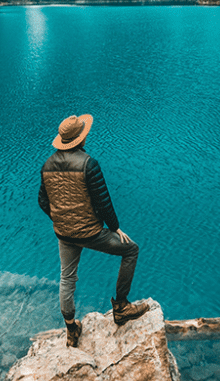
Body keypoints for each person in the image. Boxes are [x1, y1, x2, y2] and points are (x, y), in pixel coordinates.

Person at [38, 113, 149, 347]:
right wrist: (115, 228)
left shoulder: (47, 165)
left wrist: (60, 218)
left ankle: (71, 329)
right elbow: (103, 202)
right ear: (81, 139)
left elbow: (42, 201)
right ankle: (121, 307)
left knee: (67, 277)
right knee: (131, 250)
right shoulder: (88, 164)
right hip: (91, 234)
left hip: (64, 234)